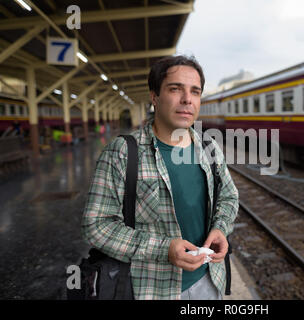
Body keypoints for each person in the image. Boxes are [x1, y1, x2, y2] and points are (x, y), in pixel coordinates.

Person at [81, 55, 239, 300]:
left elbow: (228, 197)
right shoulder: (122, 152)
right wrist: (163, 249)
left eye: (195, 92)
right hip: (150, 290)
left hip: (209, 281)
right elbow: (96, 226)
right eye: (175, 89)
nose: (187, 99)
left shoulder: (209, 147)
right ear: (154, 96)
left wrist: (221, 227)